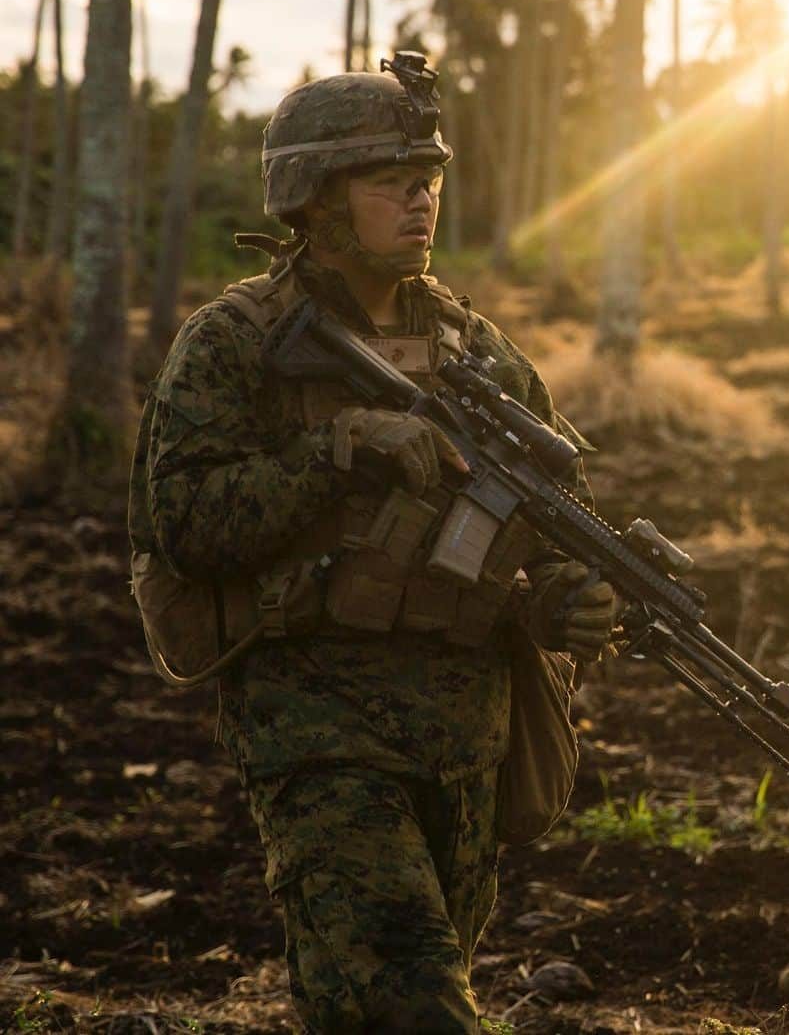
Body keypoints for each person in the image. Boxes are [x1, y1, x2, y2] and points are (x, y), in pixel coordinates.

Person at [128, 52, 617, 1033]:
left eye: (427, 180)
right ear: (313, 195)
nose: (420, 201)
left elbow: (558, 518)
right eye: (390, 181)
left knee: (377, 1002)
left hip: (467, 738)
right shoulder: (239, 345)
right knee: (412, 1003)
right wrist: (341, 449)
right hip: (320, 734)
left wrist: (566, 598)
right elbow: (185, 526)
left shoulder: (479, 353)